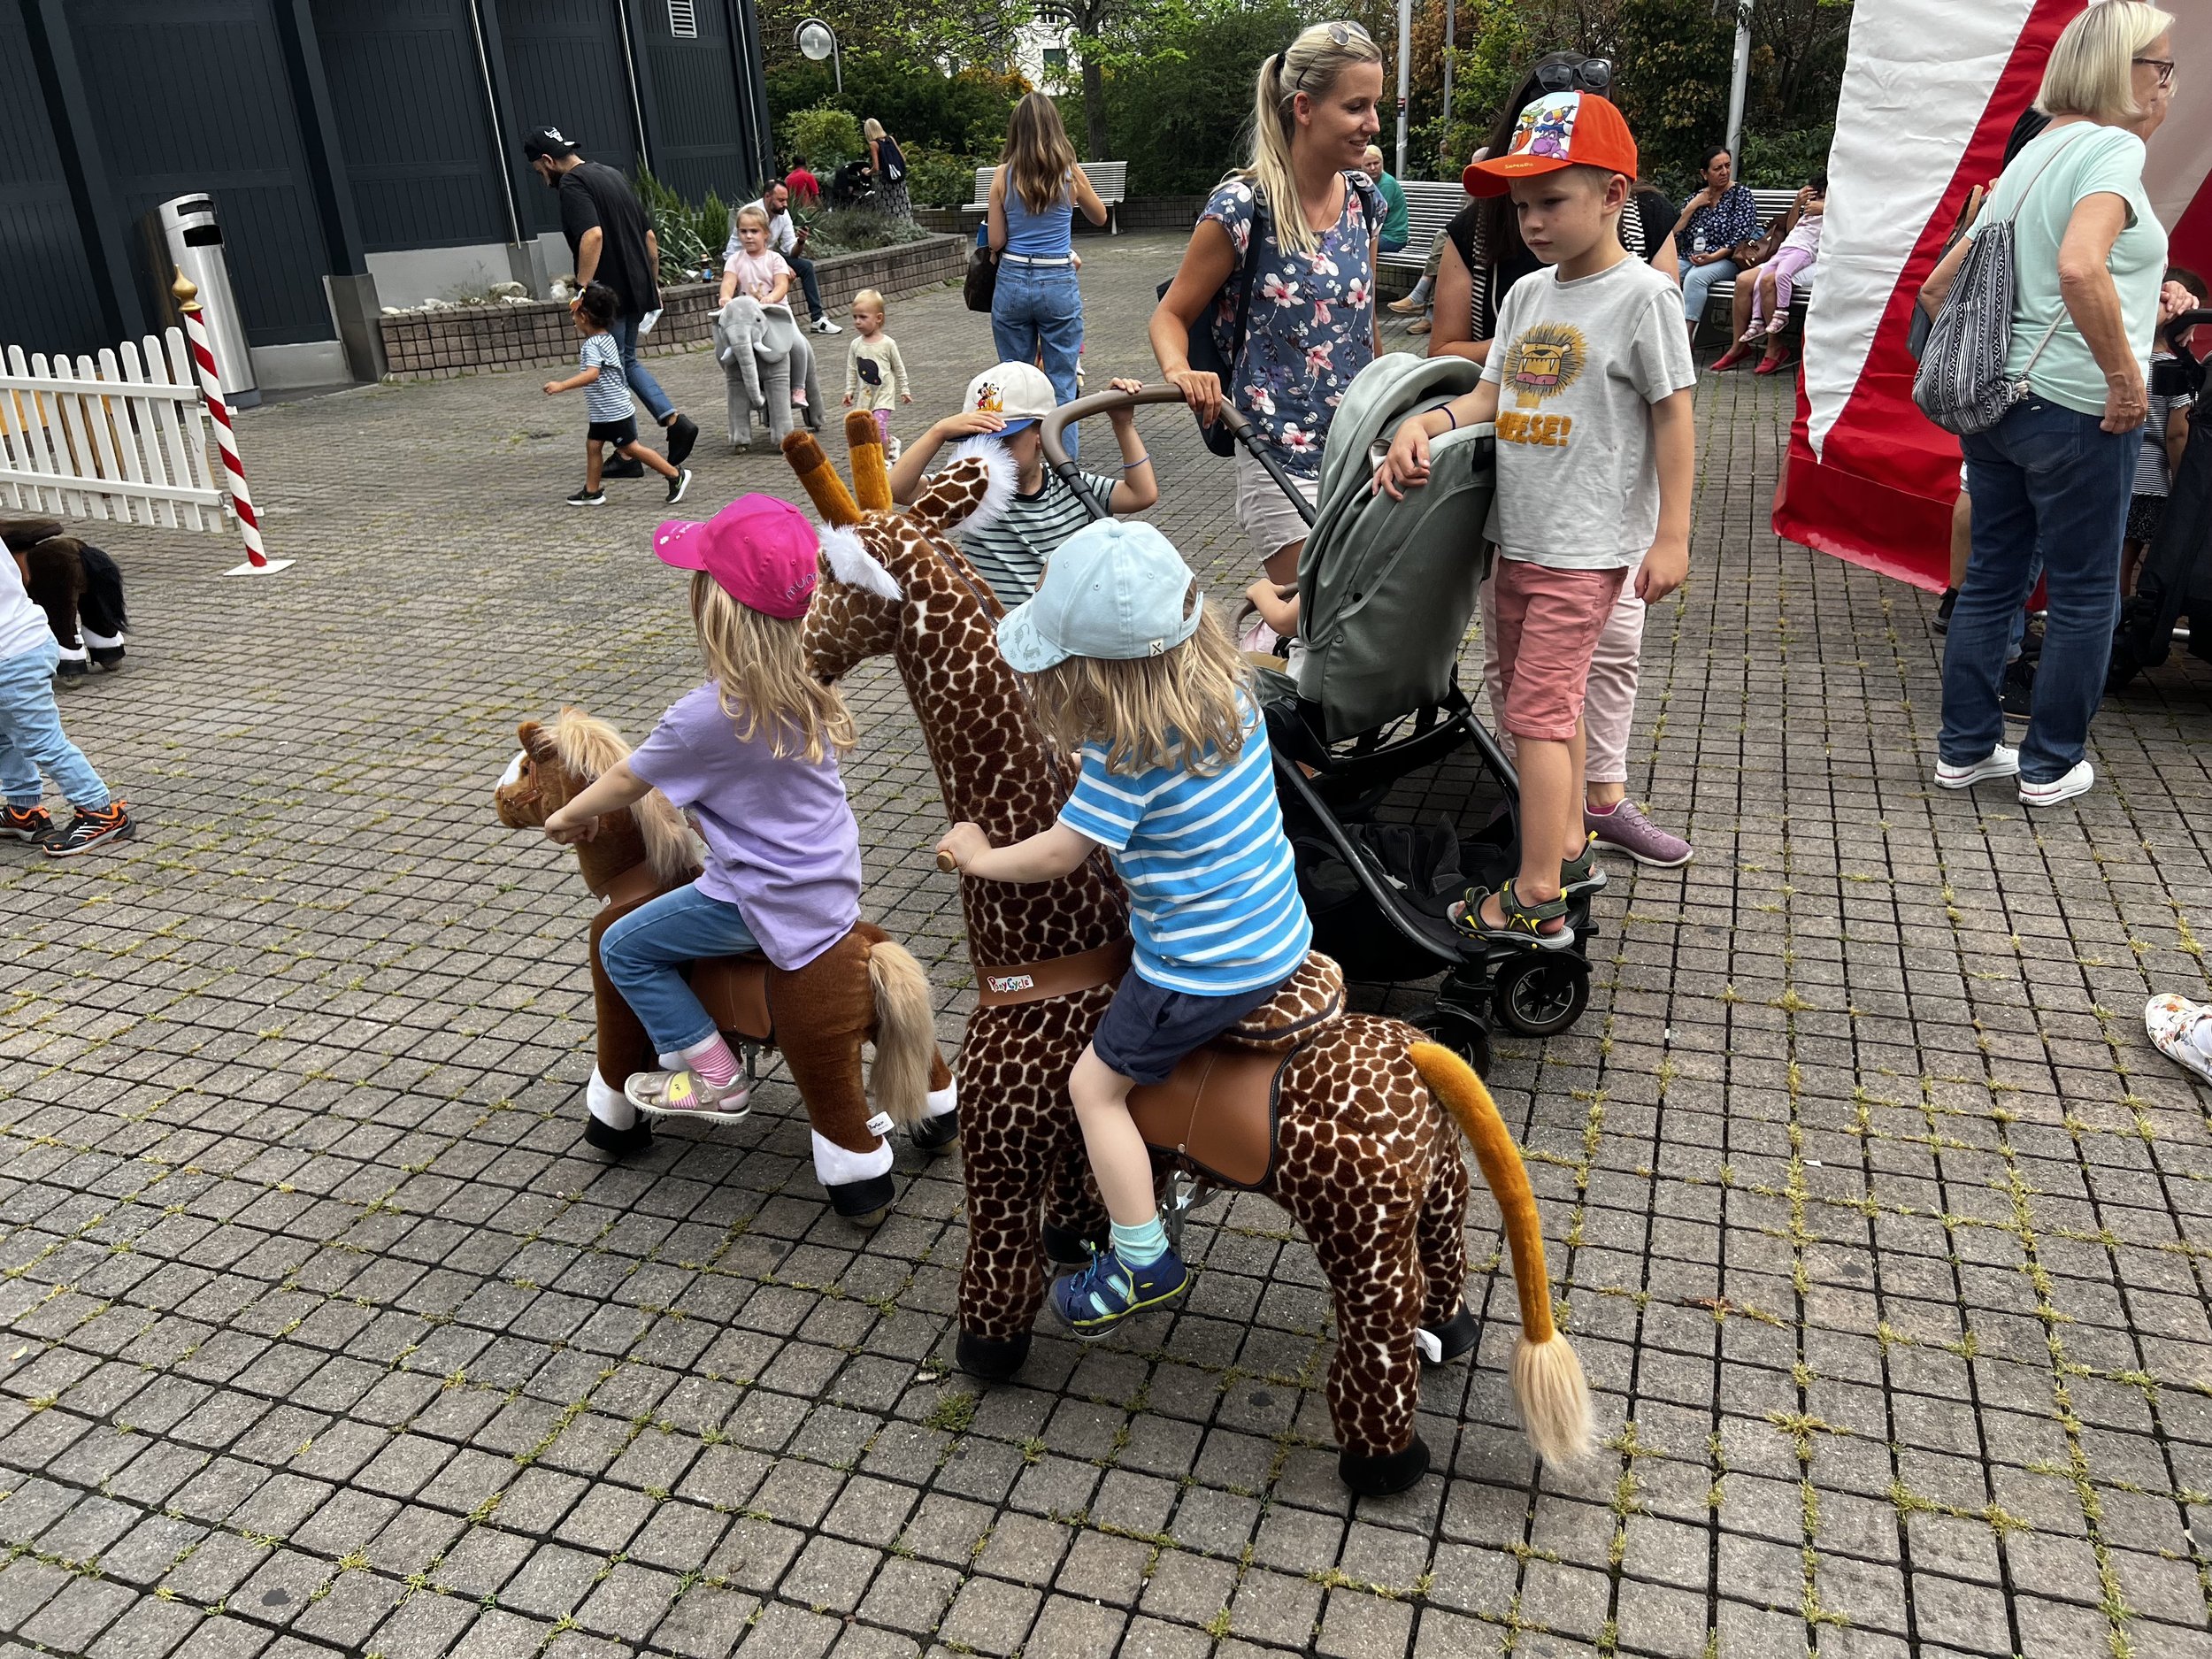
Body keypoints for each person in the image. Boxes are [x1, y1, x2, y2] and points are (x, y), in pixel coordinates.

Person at [935, 519, 1311, 1337]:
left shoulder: (1124, 755)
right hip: (1278, 931)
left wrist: (980, 857)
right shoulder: (1232, 694)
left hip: (1196, 969)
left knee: (1091, 1087)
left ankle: (1142, 1256)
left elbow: (1060, 853)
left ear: (1096, 674)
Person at [1375, 89, 1695, 944]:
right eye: (1522, 207)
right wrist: (1426, 423)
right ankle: (1571, 846)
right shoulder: (1524, 297)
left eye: (1552, 200)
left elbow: (1675, 416)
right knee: (1542, 702)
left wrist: (1672, 535)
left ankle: (1536, 893)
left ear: (1614, 194)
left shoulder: (1644, 298)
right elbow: (1490, 395)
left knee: (1537, 717)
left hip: (1585, 548)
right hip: (1515, 538)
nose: (1533, 222)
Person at [1922, 3, 2176, 809]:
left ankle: (1965, 749)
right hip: (2077, 406)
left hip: (1998, 402)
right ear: (2121, 71)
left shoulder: (2032, 151)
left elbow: (1939, 287)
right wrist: (2126, 379)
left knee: (1993, 577)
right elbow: (2080, 266)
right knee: (2085, 591)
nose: (2168, 83)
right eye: (2161, 66)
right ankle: (2050, 762)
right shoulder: (2111, 149)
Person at [546, 495, 859, 1119]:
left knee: (622, 947)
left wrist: (565, 814)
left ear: (714, 608)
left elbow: (628, 780)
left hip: (761, 897)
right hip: (830, 883)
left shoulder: (703, 718)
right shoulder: (812, 682)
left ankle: (717, 1078)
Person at [1151, 20, 1386, 632]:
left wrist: (1395, 401)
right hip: (1276, 450)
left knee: (1363, 617)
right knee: (1322, 617)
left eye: (1375, 106)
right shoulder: (1243, 207)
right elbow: (1172, 313)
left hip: (1360, 443)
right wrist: (1181, 371)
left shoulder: (1365, 200)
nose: (1373, 123)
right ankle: (1264, 614)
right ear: (1304, 108)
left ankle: (1264, 633)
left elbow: (1363, 324)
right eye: (1356, 107)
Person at [888, 362, 1155, 605]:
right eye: (980, 440)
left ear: (1042, 433)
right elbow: (897, 489)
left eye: (1004, 440)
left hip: (1061, 628)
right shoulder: (971, 490)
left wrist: (1123, 425)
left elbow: (1140, 494)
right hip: (999, 632)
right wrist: (938, 432)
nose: (991, 452)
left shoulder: (1070, 485)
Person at [523, 127, 699, 472]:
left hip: (609, 294)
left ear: (547, 160)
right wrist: (652, 282)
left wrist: (583, 289)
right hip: (636, 287)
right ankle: (663, 429)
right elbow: (650, 238)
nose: (542, 178)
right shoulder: (611, 175)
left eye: (538, 171)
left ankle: (638, 447)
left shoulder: (573, 184)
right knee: (625, 362)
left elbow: (593, 235)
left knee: (610, 370)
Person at [988, 92, 1110, 457]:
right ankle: (1064, 470)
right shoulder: (1070, 173)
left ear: (1015, 131)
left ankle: (1019, 468)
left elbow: (996, 241)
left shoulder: (1002, 176)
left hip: (1012, 280)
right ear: (1056, 128)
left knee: (1015, 384)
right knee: (1062, 384)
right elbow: (1100, 217)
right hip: (1057, 280)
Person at [0, 537, 131, 856]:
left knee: (41, 740)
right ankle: (23, 810)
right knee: (4, 735)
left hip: (13, 655)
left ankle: (100, 811)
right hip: (20, 642)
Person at [543, 282, 691, 507]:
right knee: (593, 446)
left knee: (631, 448)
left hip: (614, 412)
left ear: (584, 316)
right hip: (604, 412)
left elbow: (592, 374)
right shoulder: (607, 338)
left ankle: (675, 475)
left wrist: (562, 385)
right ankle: (592, 491)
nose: (572, 318)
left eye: (574, 313)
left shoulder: (593, 345)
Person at [2124, 265, 2204, 591]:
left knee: (2113, 553)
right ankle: (2126, 613)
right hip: (2152, 481)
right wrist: (2182, 481)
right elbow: (2177, 433)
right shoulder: (2176, 370)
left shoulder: (2123, 361)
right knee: (2136, 556)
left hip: (2118, 470)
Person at [1715, 174, 1825, 374]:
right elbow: (1792, 231)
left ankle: (1775, 348)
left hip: (1815, 258)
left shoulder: (1841, 204)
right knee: (1744, 280)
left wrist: (1826, 209)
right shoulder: (1812, 210)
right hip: (1791, 251)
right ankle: (1738, 346)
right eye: (1815, 196)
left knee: (1769, 280)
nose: (1816, 200)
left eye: (1822, 196)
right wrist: (1797, 205)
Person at [1670, 144, 1763, 346]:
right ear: (1704, 174)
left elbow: (1740, 237)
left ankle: (1685, 339)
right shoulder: (1696, 198)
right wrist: (1692, 207)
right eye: (1718, 168)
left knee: (1696, 278)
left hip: (1727, 258)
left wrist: (1712, 257)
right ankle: (1665, 330)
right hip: (1692, 257)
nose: (1724, 172)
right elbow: (1674, 233)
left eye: (1727, 166)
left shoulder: (1741, 195)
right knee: (1664, 273)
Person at [730, 180, 840, 334]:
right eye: (781, 200)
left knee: (806, 267)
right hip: (743, 258)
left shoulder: (783, 214)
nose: (785, 204)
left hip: (768, 256)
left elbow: (790, 250)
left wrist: (800, 241)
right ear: (767, 197)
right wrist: (781, 265)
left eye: (786, 200)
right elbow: (749, 248)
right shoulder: (749, 213)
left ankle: (818, 319)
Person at [844, 288, 912, 460]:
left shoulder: (888, 344)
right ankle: (890, 443)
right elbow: (852, 369)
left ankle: (884, 462)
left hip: (884, 394)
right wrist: (849, 391)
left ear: (878, 318)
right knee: (867, 429)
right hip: (866, 396)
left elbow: (899, 367)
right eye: (855, 317)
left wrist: (905, 389)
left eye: (863, 317)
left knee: (878, 427)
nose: (857, 322)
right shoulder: (855, 344)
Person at [1363, 144, 1409, 254]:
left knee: (1358, 247)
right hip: (1379, 235)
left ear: (1382, 163)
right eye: (1368, 164)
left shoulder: (1386, 184)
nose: (1373, 168)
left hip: (1393, 237)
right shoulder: (1366, 181)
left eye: (1376, 163)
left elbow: (1376, 216)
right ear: (1361, 166)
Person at [865, 119, 912, 223]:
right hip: (899, 181)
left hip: (885, 182)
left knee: (887, 210)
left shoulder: (874, 144)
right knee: (903, 207)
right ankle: (907, 226)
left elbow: (876, 167)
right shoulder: (891, 139)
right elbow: (903, 158)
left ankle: (891, 228)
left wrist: (867, 172)